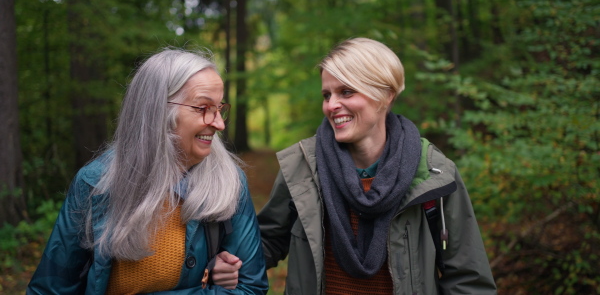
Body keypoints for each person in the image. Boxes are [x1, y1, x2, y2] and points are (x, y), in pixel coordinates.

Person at [214, 38, 496, 294]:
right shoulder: (303, 166)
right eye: (327, 95)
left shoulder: (434, 173)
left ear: (386, 95)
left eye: (346, 92)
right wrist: (230, 264)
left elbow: (468, 281)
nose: (332, 105)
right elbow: (268, 242)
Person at [27, 49, 268, 294]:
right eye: (202, 108)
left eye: (219, 108)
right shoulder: (96, 184)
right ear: (158, 111)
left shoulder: (228, 182)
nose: (219, 123)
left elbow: (251, 287)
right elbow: (50, 288)